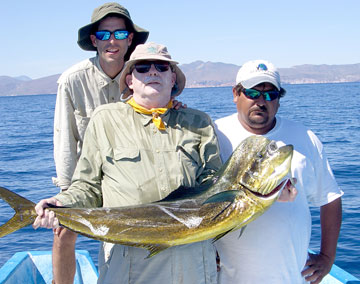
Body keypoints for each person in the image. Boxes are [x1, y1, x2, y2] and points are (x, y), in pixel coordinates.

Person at [34, 42, 222, 284]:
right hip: (131, 264)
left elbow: (216, 186)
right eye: (143, 67)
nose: (153, 72)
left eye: (162, 67)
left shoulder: (199, 122)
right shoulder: (105, 119)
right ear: (130, 80)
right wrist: (61, 203)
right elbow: (88, 186)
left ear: (173, 78)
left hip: (192, 264)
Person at [214, 59, 343, 284]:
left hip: (292, 277)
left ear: (279, 100)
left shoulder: (305, 138)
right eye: (253, 93)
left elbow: (330, 198)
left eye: (270, 94)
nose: (261, 101)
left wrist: (327, 256)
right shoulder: (213, 135)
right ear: (236, 94)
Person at [51, 2, 149, 283]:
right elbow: (65, 139)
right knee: (63, 233)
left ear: (130, 39)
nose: (112, 41)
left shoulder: (143, 75)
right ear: (94, 40)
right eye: (104, 35)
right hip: (87, 178)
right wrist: (67, 193)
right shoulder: (71, 80)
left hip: (130, 178)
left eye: (119, 34)